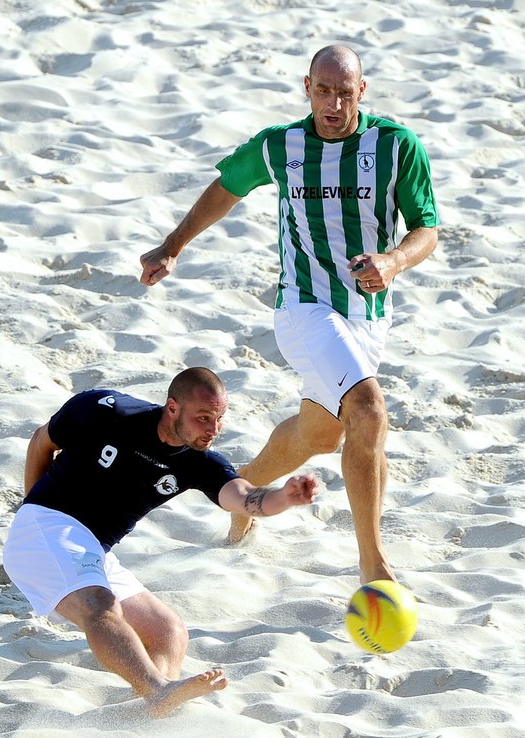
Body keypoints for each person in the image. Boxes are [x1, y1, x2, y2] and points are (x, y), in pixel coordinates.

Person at [139, 45, 439, 585]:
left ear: (361, 92)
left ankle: (244, 494)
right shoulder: (281, 146)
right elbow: (226, 189)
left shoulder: (397, 147)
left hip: (367, 317)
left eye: (344, 92)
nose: (333, 103)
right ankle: (375, 569)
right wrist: (172, 245)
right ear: (307, 88)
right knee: (368, 411)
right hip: (304, 308)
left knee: (320, 435)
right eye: (323, 90)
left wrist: (392, 262)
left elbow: (427, 228)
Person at [2, 367, 319, 718]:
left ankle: (142, 715)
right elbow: (41, 441)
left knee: (167, 631)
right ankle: (157, 690)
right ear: (172, 408)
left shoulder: (200, 463)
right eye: (203, 418)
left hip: (94, 548)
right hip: (46, 526)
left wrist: (284, 497)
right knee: (101, 605)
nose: (213, 429)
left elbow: (244, 497)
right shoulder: (105, 410)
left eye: (219, 419)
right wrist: (32, 512)